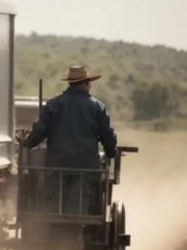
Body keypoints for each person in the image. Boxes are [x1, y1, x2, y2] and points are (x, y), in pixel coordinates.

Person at [22, 65, 119, 215]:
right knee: (78, 206)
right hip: (85, 167)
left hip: (56, 165)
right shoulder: (97, 107)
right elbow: (108, 136)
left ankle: (55, 231)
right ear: (85, 83)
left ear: (70, 83)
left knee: (54, 205)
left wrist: (27, 142)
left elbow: (39, 132)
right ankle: (75, 232)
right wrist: (112, 152)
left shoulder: (53, 104)